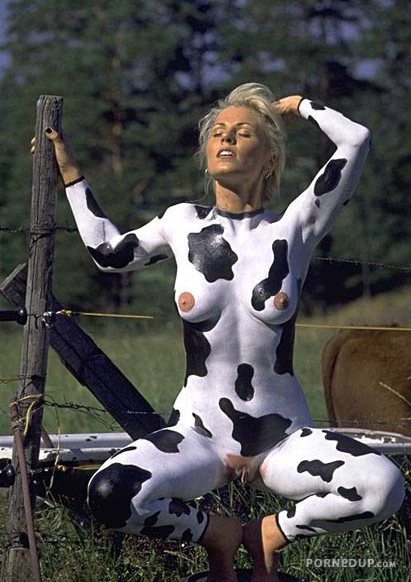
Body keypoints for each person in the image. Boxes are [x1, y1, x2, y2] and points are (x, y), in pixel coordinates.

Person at [41, 83, 404, 582]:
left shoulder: (295, 227)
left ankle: (270, 534)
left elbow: (356, 139)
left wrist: (300, 106)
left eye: (242, 132)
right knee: (110, 493)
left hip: (285, 442)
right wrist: (69, 171)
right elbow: (107, 252)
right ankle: (218, 534)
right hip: (198, 436)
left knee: (383, 485)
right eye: (217, 132)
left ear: (269, 159)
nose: (225, 138)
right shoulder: (181, 222)